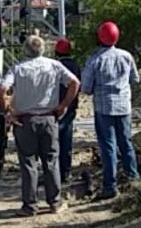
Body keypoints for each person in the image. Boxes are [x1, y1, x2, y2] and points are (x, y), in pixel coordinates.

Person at [0, 35, 80, 217]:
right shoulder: (54, 65)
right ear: (43, 49)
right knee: (51, 161)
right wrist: (63, 105)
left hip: (24, 120)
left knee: (28, 163)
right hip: (49, 118)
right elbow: (75, 83)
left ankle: (29, 206)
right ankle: (55, 202)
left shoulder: (18, 68)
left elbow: (2, 89)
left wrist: (8, 113)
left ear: (25, 50)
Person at [81, 21, 140, 200]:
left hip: (103, 108)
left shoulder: (95, 60)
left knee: (108, 147)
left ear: (100, 37)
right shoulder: (126, 56)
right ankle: (133, 178)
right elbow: (135, 79)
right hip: (124, 106)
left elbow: (86, 87)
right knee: (126, 142)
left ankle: (110, 186)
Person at [54, 37, 80, 184]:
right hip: (70, 108)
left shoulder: (55, 66)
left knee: (54, 141)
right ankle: (66, 172)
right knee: (67, 141)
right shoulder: (75, 66)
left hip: (56, 108)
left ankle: (54, 172)